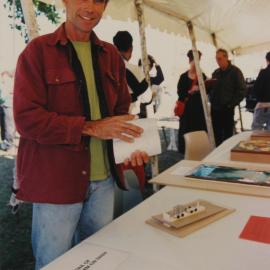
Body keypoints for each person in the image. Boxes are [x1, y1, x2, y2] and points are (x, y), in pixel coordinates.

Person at [13, 1, 149, 269]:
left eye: (99, 0)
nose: (90, 7)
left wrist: (131, 147)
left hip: (104, 182)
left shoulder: (110, 54)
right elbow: (26, 119)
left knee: (98, 260)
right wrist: (89, 127)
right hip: (57, 184)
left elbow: (121, 112)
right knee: (54, 263)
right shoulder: (37, 52)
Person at [113, 31, 164, 117]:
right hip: (128, 118)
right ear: (131, 49)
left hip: (107, 121)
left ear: (114, 47)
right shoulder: (134, 70)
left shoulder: (105, 67)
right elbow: (147, 99)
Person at [210, 48, 246, 146]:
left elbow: (242, 90)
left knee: (227, 136)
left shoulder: (235, 72)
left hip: (227, 109)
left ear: (226, 58)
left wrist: (231, 104)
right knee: (216, 135)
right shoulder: (215, 73)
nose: (218, 61)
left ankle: (226, 156)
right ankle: (217, 157)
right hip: (215, 109)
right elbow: (211, 90)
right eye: (216, 59)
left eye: (220, 59)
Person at [176, 50, 207, 154]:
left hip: (199, 110)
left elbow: (207, 92)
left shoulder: (202, 76)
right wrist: (190, 91)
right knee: (186, 131)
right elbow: (180, 94)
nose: (195, 63)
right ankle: (186, 152)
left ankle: (199, 150)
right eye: (194, 60)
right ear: (190, 61)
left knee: (198, 131)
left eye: (198, 60)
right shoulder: (183, 77)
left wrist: (200, 89)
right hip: (187, 111)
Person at [252, 51, 270, 130]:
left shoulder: (263, 72)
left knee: (257, 130)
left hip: (264, 105)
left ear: (267, 60)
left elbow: (255, 90)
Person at [0, 71, 16, 151]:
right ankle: (4, 141)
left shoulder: (11, 85)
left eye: (4, 77)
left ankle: (9, 144)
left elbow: (6, 95)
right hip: (4, 106)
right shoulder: (5, 85)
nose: (2, 79)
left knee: (9, 126)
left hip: (9, 106)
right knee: (4, 125)